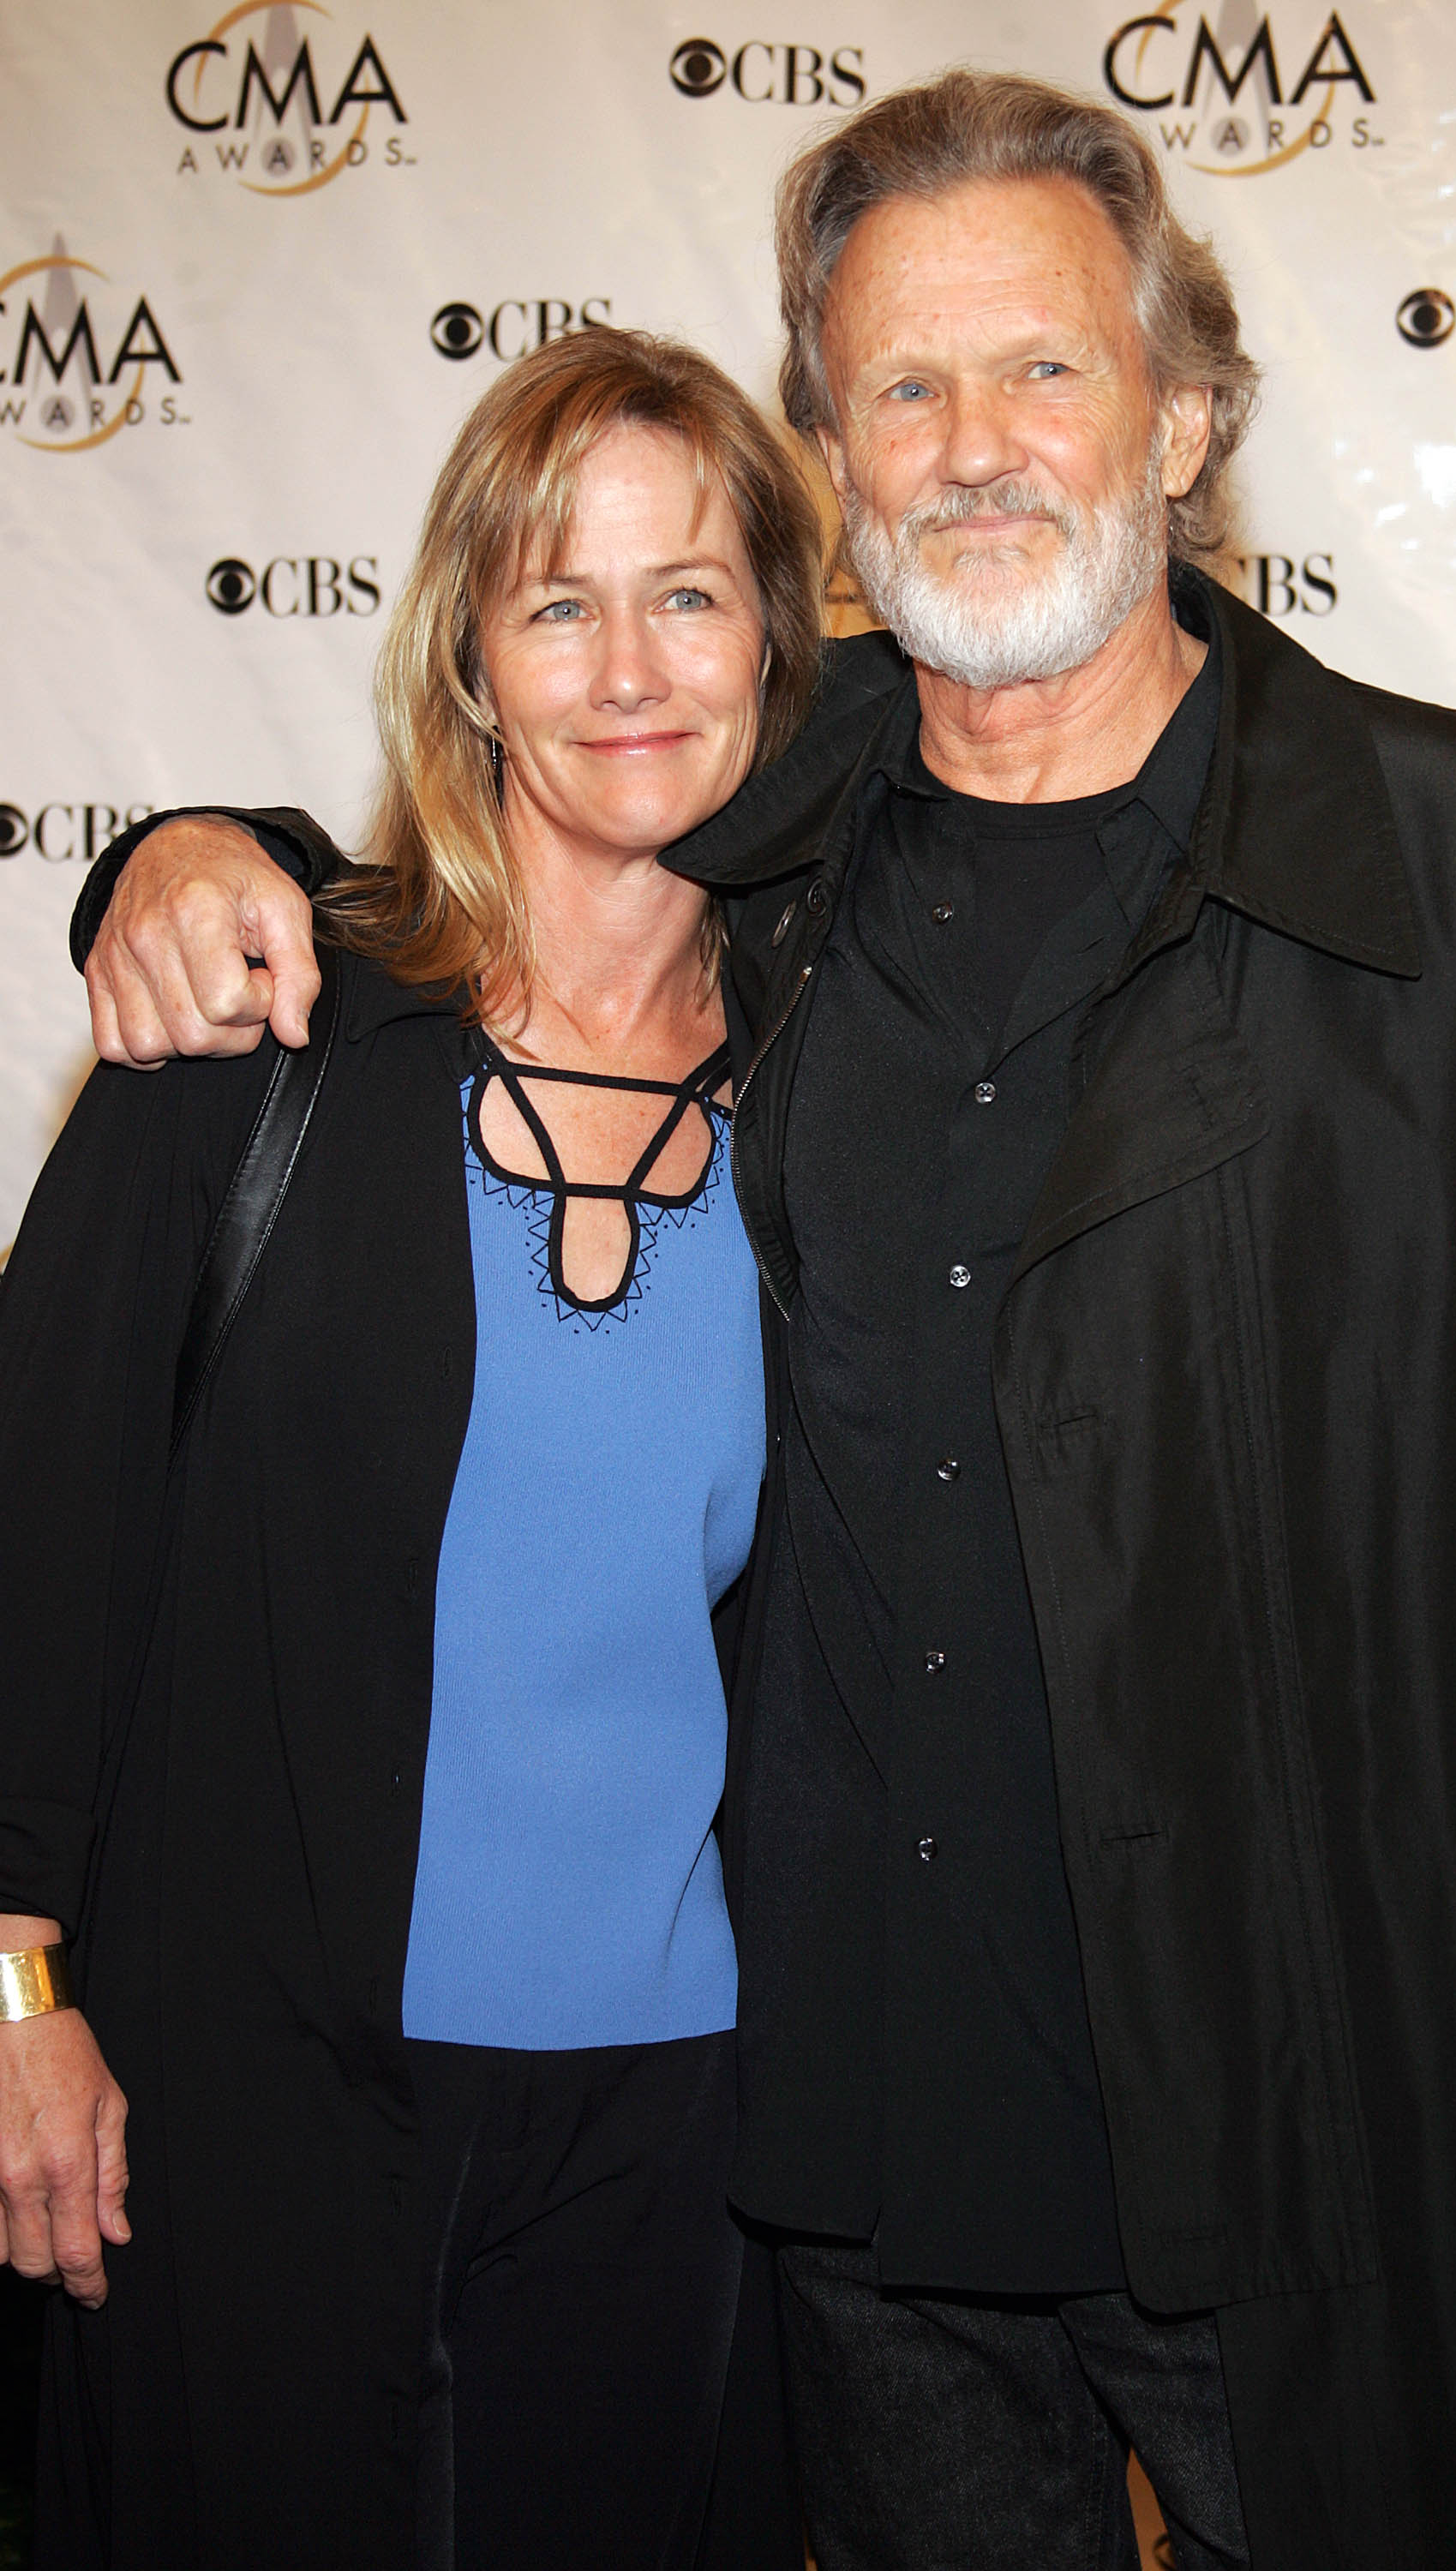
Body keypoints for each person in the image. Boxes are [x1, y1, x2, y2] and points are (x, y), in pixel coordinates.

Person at [61, 67, 1456, 2571]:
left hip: (1306, 2150)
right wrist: (188, 858)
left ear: (1187, 406)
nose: (975, 448)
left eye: (1041, 368)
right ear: (827, 448)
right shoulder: (763, 812)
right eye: (898, 388)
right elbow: (469, 836)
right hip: (842, 2168)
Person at [0, 326, 823, 2569]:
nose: (628, 666)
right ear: (471, 656)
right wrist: (13, 2000)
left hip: (679, 2143)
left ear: (781, 636)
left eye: (688, 594)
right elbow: (32, 1541)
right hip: (235, 2108)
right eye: (557, 600)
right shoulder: (254, 1041)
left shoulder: (852, 1106)